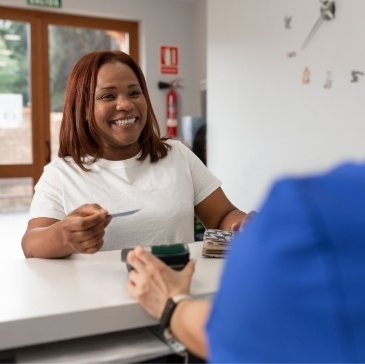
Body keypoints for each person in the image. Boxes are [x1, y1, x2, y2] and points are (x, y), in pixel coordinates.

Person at [127, 162, 365, 363]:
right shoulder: (328, 207)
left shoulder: (307, 212)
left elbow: (243, 335)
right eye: (107, 101)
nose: (124, 105)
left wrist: (174, 304)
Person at [21, 50, 248, 258]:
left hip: (174, 293)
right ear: (83, 109)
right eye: (108, 96)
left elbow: (223, 216)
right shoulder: (61, 174)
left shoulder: (178, 155)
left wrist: (242, 224)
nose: (126, 104)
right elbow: (31, 244)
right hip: (98, 301)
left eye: (134, 93)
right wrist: (64, 234)